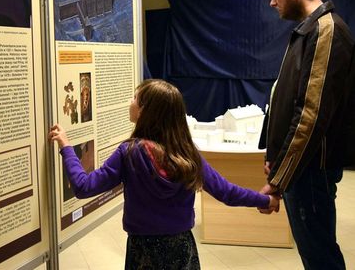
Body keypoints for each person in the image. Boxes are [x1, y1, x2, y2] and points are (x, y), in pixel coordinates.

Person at [50, 79, 280, 270]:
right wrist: (266, 200)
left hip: (142, 251)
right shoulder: (188, 153)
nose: (130, 102)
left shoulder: (129, 153)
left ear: (145, 110)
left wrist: (67, 147)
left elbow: (83, 186)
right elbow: (226, 192)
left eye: (135, 98)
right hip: (181, 248)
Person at [258, 0, 355, 269]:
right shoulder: (308, 30)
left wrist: (279, 178)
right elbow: (285, 98)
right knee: (314, 253)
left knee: (320, 257)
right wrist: (275, 154)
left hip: (310, 170)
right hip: (301, 168)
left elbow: (309, 116)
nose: (272, 2)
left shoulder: (326, 30)